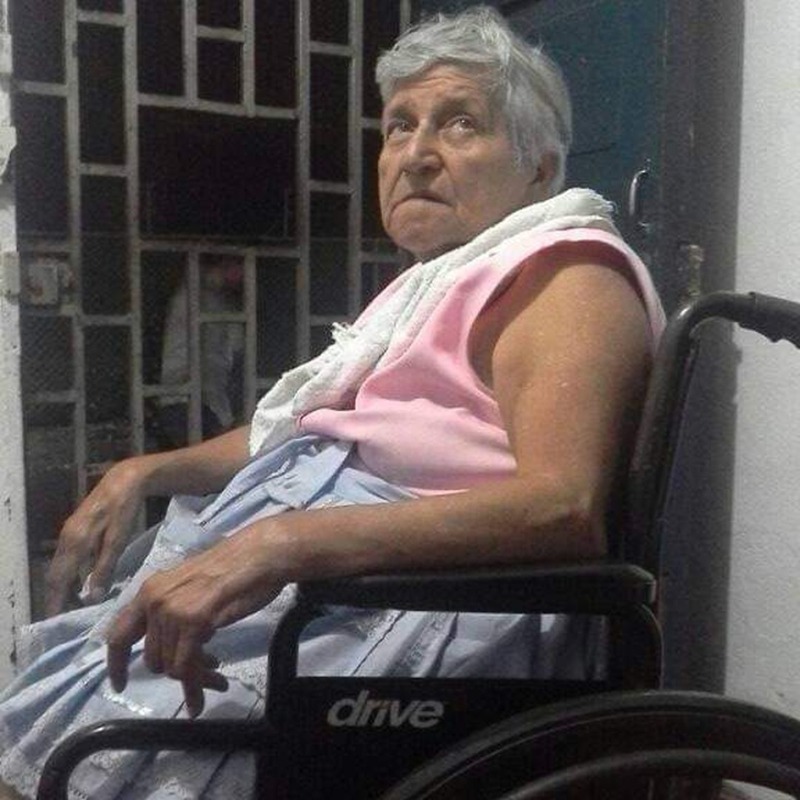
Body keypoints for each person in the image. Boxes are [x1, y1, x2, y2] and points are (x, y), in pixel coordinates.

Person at [0, 6, 665, 799]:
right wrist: (143, 471)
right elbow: (304, 427)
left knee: (79, 755)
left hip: (413, 609)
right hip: (331, 586)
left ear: (540, 169)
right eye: (399, 126)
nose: (416, 154)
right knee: (59, 699)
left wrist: (282, 542)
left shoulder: (567, 277)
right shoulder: (434, 285)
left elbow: (563, 508)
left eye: (461, 123)